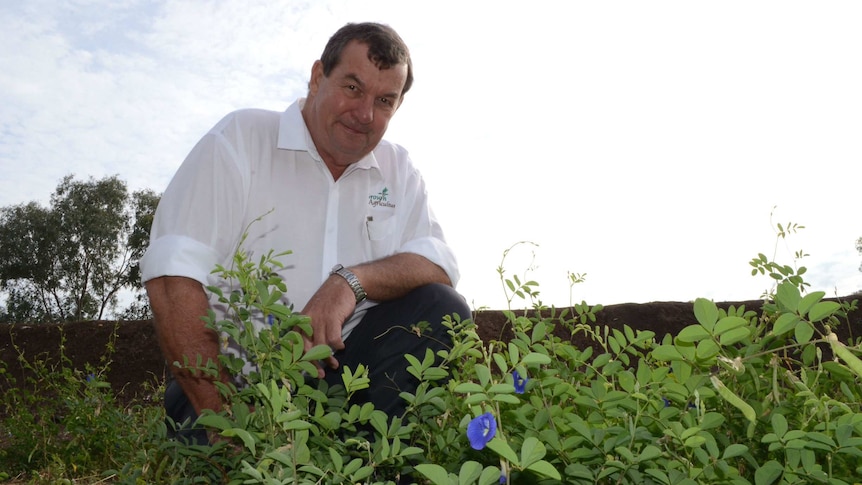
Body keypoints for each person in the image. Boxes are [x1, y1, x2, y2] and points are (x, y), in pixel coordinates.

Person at [140, 22, 469, 444]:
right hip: (232, 387)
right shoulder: (240, 140)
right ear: (317, 77)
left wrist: (350, 282)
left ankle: (376, 466)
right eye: (353, 88)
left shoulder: (398, 170)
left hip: (348, 388)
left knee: (440, 307)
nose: (365, 114)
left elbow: (437, 262)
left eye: (384, 100)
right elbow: (172, 276)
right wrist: (222, 419)